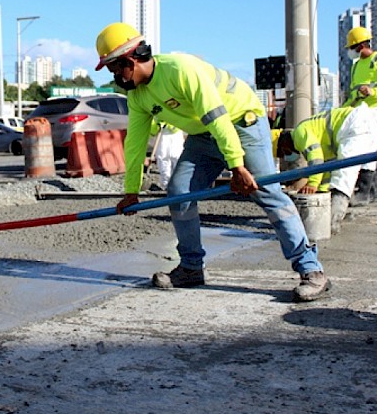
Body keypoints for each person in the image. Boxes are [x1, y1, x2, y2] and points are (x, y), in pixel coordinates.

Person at [94, 22, 330, 302]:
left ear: (129, 60)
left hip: (242, 123)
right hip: (203, 136)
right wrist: (131, 191)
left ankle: (311, 271)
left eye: (114, 68)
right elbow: (134, 144)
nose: (114, 77)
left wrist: (237, 166)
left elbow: (218, 118)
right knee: (179, 193)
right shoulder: (138, 96)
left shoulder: (181, 69)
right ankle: (192, 267)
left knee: (266, 191)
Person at [275, 104, 377, 235]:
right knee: (364, 164)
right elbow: (326, 169)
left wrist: (312, 183)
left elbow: (316, 158)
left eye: (283, 153)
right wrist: (322, 193)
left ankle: (332, 223)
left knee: (344, 175)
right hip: (365, 122)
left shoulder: (299, 133)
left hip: (353, 125)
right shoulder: (315, 133)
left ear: (283, 143)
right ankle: (358, 200)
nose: (286, 156)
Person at [342, 26, 377, 205]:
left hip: (376, 111)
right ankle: (373, 193)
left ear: (360, 45)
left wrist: (372, 91)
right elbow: (352, 94)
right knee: (365, 149)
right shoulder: (356, 66)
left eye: (352, 47)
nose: (351, 51)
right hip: (359, 112)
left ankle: (364, 193)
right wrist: (344, 109)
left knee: (368, 149)